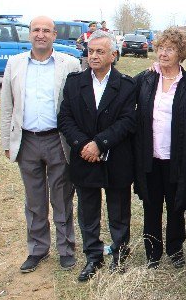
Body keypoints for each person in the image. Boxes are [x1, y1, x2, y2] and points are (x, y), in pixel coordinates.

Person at [0, 15, 81, 273]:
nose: (41, 34)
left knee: (62, 197)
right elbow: (6, 106)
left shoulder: (69, 64)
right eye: (36, 30)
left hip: (58, 140)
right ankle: (37, 250)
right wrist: (6, 141)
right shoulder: (15, 64)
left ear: (55, 35)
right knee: (34, 200)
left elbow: (79, 103)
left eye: (47, 30)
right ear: (29, 34)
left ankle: (66, 249)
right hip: (27, 141)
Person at [57, 31, 137, 281]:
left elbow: (128, 120)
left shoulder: (126, 85)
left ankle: (120, 256)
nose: (93, 56)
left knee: (119, 211)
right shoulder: (74, 83)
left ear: (113, 55)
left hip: (116, 158)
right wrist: (83, 145)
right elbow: (65, 118)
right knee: (88, 211)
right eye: (90, 51)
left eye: (100, 51)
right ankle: (93, 257)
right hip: (84, 157)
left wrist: (100, 144)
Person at [134, 28, 186, 269]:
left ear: (180, 53)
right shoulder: (146, 78)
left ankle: (175, 250)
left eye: (170, 49)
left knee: (176, 206)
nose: (163, 53)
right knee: (151, 206)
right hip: (150, 157)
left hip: (177, 157)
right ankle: (152, 253)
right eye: (161, 47)